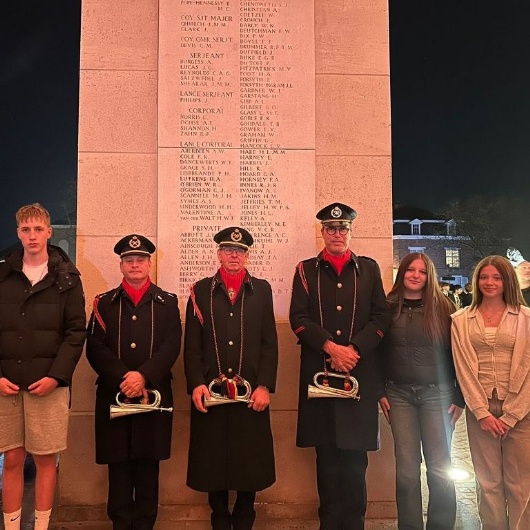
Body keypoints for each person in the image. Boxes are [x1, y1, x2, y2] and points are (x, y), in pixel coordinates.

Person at [289, 202, 391, 530]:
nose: (337, 234)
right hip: (320, 378)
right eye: (331, 229)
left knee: (356, 462)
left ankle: (355, 524)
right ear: (322, 232)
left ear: (351, 232)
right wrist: (331, 347)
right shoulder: (306, 270)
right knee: (327, 461)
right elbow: (298, 319)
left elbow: (381, 317)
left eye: (343, 228)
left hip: (359, 379)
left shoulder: (370, 269)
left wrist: (354, 349)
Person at [184, 227, 278, 530]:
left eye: (239, 251)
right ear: (219, 254)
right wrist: (196, 382)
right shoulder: (200, 290)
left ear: (247, 255)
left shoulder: (261, 290)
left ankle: (244, 518)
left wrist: (265, 385)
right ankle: (219, 518)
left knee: (249, 461)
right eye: (227, 250)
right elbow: (192, 345)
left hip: (250, 395)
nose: (233, 255)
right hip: (211, 394)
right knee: (213, 461)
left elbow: (269, 342)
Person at [0, 203, 86, 530]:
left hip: (47, 385)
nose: (32, 236)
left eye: (38, 229)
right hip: (7, 385)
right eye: (26, 230)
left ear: (49, 232)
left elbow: (76, 330)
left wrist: (56, 376)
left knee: (46, 459)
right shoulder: (3, 274)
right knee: (12, 459)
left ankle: (41, 526)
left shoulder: (67, 278)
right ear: (18, 232)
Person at [86, 235, 181, 530]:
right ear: (121, 265)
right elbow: (95, 347)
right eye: (129, 260)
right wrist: (123, 377)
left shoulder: (167, 303)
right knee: (119, 468)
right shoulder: (104, 303)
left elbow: (171, 344)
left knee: (147, 467)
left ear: (150, 264)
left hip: (152, 396)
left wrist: (144, 376)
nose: (135, 264)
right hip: (115, 395)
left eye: (140, 259)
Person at [379, 252, 464, 530]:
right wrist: (380, 390)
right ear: (401, 273)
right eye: (410, 270)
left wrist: (459, 398)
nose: (416, 276)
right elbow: (377, 354)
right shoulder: (386, 308)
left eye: (422, 271)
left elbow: (459, 355)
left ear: (430, 276)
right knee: (406, 472)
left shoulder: (444, 307)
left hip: (436, 395)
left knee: (440, 469)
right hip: (398, 395)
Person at [451, 255, 530, 529]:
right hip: (481, 410)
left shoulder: (526, 319)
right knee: (488, 483)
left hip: (522, 411)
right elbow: (462, 369)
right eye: (484, 277)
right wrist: (481, 412)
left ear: (507, 280)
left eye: (496, 277)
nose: (489, 282)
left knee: (520, 486)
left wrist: (513, 415)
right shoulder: (461, 320)